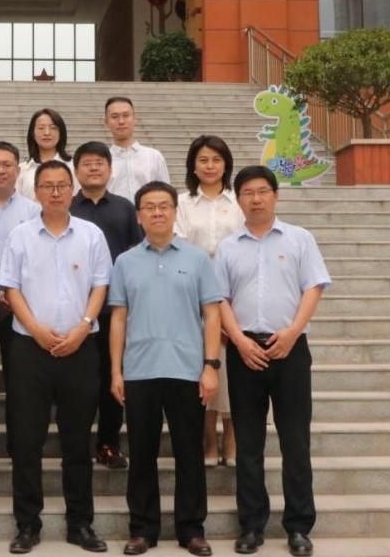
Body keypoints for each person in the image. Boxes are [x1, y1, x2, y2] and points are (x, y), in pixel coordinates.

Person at [0, 160, 112, 554]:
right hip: (30, 349)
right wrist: (37, 330)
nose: (56, 192)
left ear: (73, 189)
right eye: (48, 185)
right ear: (36, 192)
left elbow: (100, 286)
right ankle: (27, 525)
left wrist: (83, 327)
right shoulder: (20, 235)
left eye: (63, 185)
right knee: (26, 442)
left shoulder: (92, 234)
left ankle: (80, 524)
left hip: (81, 348)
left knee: (77, 441)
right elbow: (10, 288)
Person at [215, 166, 330, 557]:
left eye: (263, 191)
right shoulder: (228, 247)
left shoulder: (299, 239)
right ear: (238, 200)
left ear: (276, 196)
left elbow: (313, 287)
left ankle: (298, 526)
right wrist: (238, 340)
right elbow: (220, 298)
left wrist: (293, 332)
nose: (256, 199)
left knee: (295, 441)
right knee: (248, 443)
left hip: (290, 349)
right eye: (247, 192)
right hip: (244, 351)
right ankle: (251, 526)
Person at [109, 181, 222, 557]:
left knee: (189, 453)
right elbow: (118, 319)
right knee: (141, 454)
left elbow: (212, 314)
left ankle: (192, 529)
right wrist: (116, 371)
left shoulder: (197, 259)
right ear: (139, 216)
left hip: (187, 370)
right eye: (149, 207)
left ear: (175, 212)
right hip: (139, 370)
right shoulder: (125, 262)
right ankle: (142, 529)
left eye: (164, 206)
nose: (157, 212)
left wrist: (210, 366)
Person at [70, 141, 142, 470]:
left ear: (110, 169)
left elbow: (136, 254)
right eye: (87, 163)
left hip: (116, 310)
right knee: (80, 384)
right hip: (76, 311)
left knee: (113, 376)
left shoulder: (126, 209)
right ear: (76, 171)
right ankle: (76, 443)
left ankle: (108, 443)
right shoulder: (68, 207)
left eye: (100, 162)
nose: (94, 168)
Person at [174, 135, 243, 468]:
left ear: (226, 164)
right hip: (192, 294)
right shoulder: (181, 203)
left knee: (230, 371)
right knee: (201, 366)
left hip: (235, 295)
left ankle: (231, 436)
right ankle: (207, 439)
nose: (210, 166)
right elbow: (178, 246)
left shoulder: (239, 201)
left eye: (216, 159)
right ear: (193, 166)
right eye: (203, 160)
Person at [0, 141, 40, 453]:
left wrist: (13, 294)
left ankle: (20, 445)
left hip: (21, 307)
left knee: (21, 382)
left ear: (18, 171)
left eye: (7, 165)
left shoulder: (33, 211)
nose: (1, 170)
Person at [103, 97, 170, 202]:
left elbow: (166, 194)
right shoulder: (102, 160)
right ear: (106, 122)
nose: (121, 121)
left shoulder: (153, 156)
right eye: (115, 117)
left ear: (135, 119)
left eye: (126, 115)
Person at [17, 108, 74, 200]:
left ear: (61, 133)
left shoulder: (73, 167)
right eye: (41, 128)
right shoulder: (22, 170)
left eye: (53, 128)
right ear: (32, 133)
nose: (47, 133)